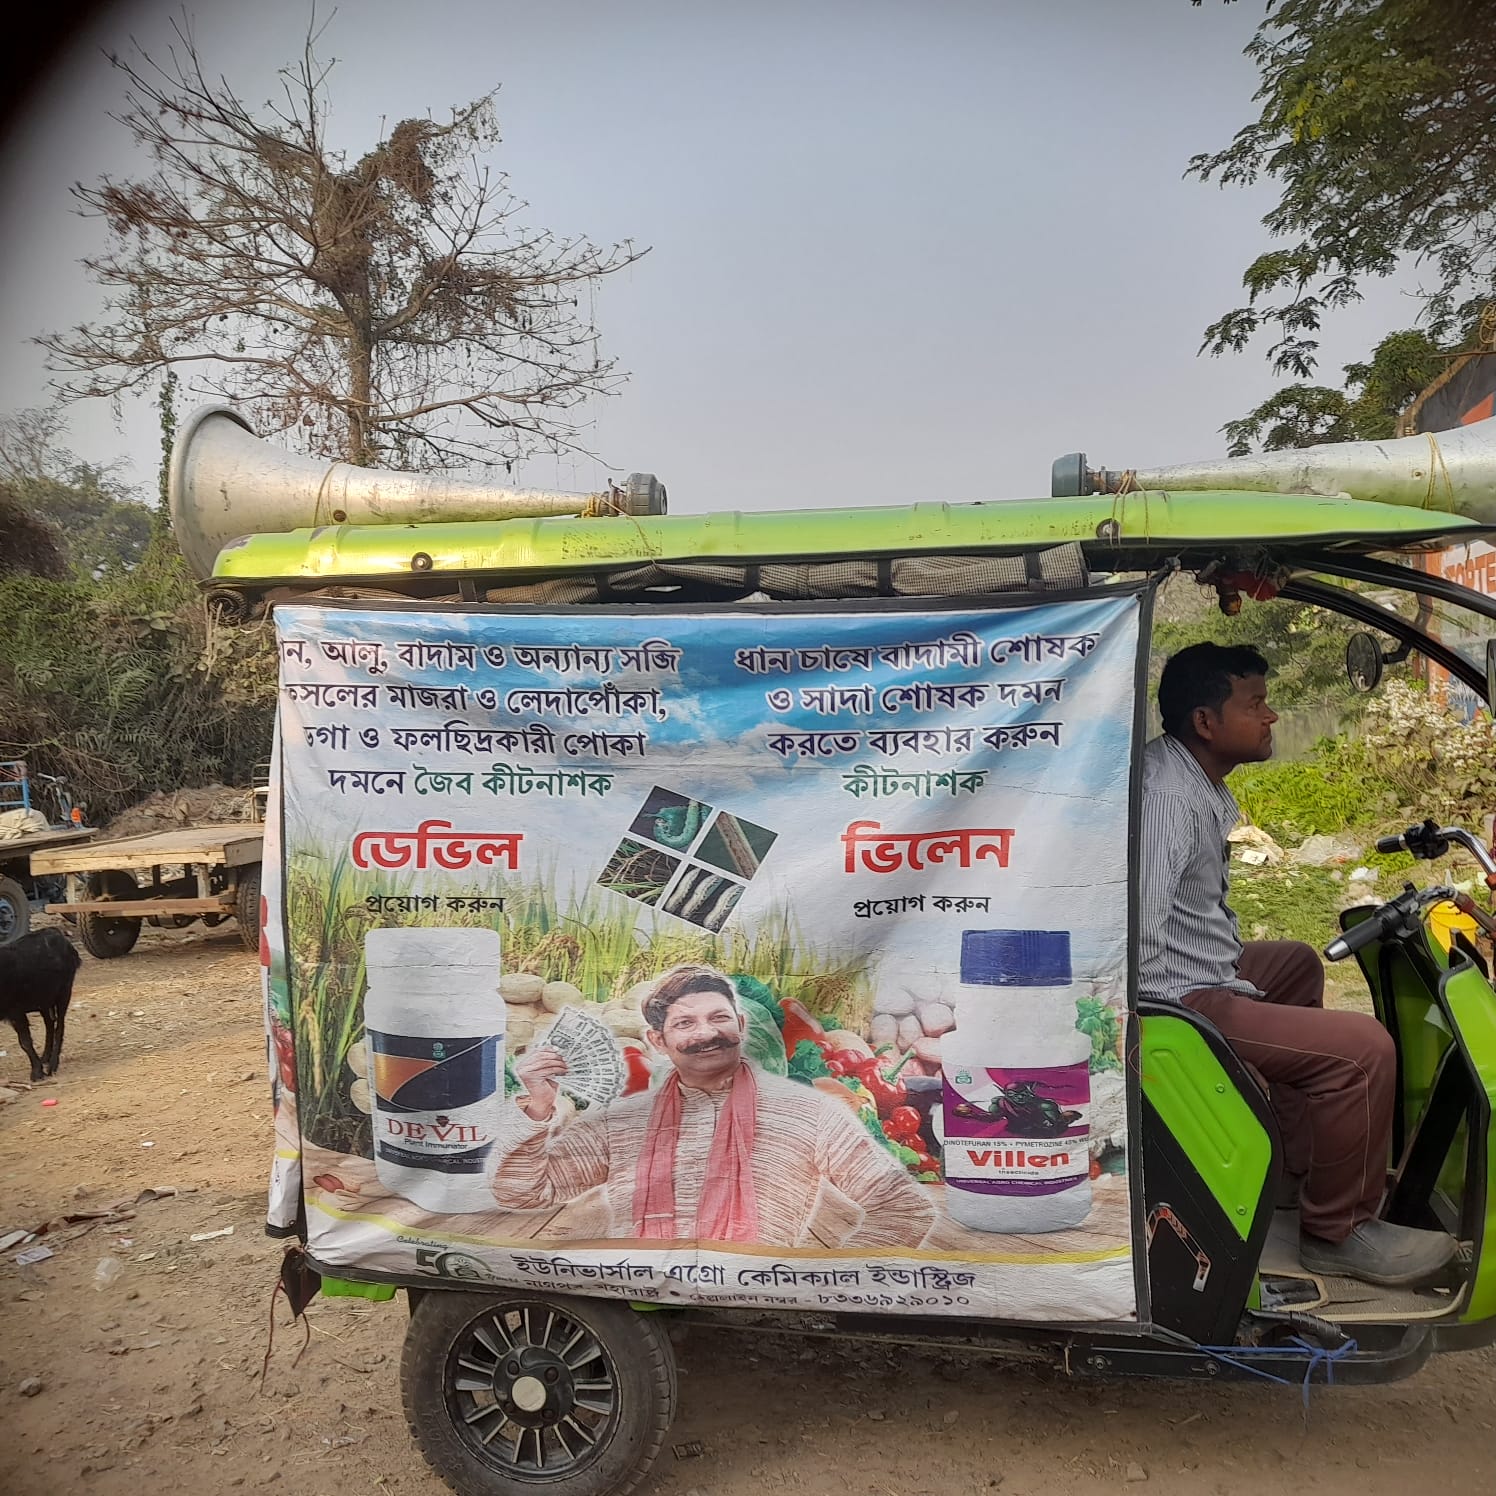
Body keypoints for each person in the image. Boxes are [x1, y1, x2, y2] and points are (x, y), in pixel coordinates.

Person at [1141, 642, 1454, 1288]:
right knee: (1363, 1050)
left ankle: (1286, 1172)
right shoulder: (1167, 797)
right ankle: (1337, 1230)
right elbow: (1140, 937)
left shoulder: (1192, 777)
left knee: (1296, 964)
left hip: (1196, 967)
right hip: (1175, 995)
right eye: (1254, 704)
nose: (1272, 716)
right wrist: (1189, 1015)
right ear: (1205, 722)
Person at [494, 963, 935, 1249]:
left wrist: (820, 1282)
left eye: (718, 1017)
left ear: (740, 1025)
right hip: (644, 1308)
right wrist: (538, 1107)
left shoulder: (809, 1114)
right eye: (685, 1023)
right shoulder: (620, 1123)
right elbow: (522, 1191)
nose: (706, 1034)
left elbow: (904, 1208)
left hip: (757, 1314)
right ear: (658, 1041)